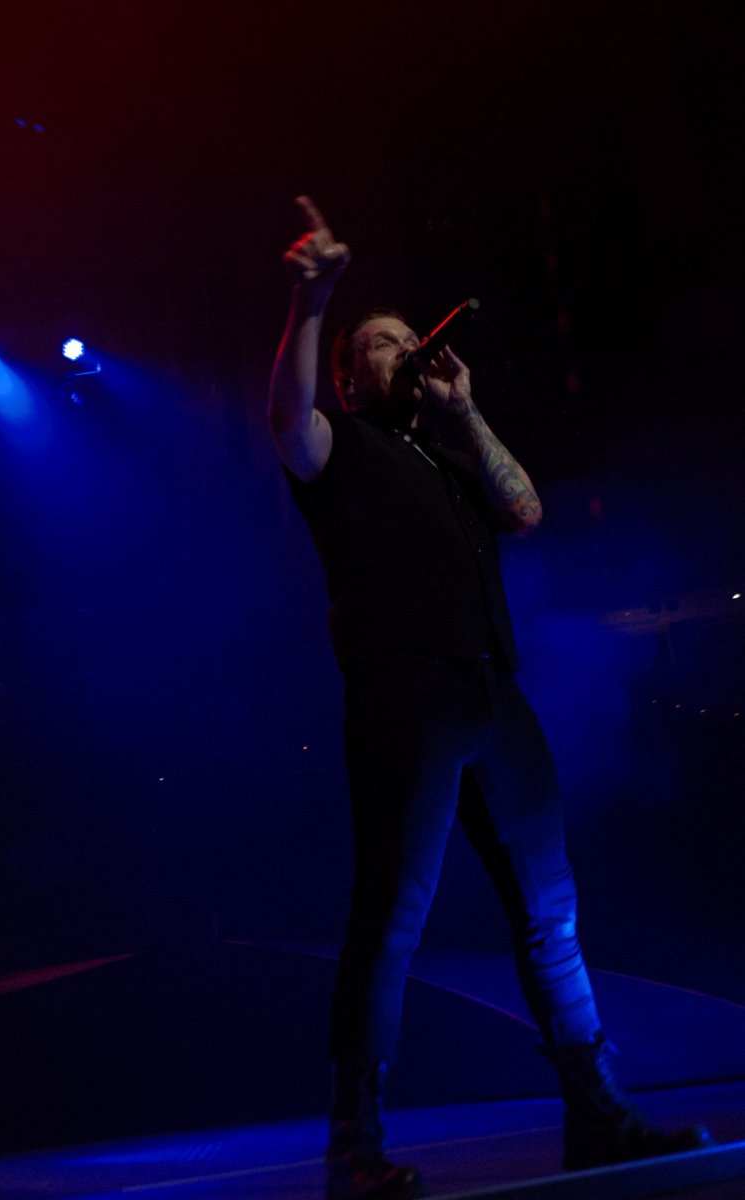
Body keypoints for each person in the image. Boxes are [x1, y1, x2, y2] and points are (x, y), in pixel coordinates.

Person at [268, 196, 711, 1200]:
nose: (405, 350)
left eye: (407, 339)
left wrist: (464, 412)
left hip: (491, 697)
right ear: (350, 374)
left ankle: (597, 1116)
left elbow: (527, 508)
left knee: (552, 911)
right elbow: (286, 421)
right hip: (406, 699)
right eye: (385, 344)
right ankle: (354, 1145)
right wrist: (314, 301)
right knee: (393, 914)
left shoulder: (446, 458)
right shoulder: (337, 446)